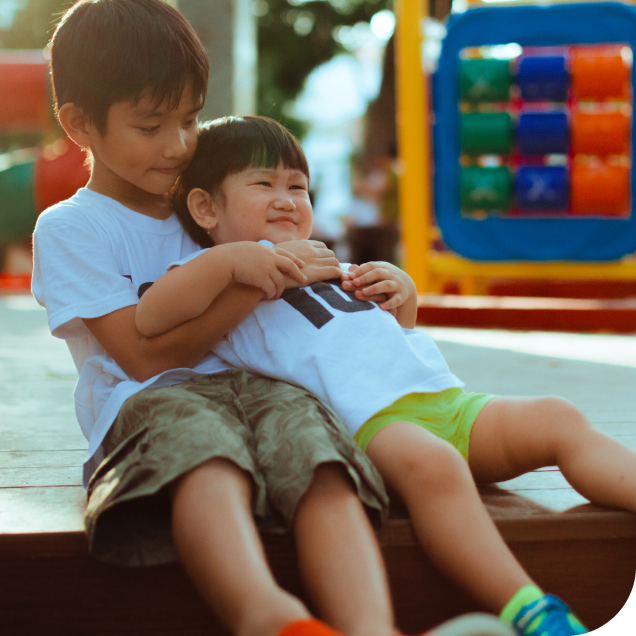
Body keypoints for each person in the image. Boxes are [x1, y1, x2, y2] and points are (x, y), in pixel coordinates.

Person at [30, 4, 503, 636]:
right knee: (207, 456)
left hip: (261, 385)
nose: (177, 145)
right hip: (151, 401)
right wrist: (255, 274)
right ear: (79, 124)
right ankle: (270, 617)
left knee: (321, 458)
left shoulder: (201, 202)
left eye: (190, 119)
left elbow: (301, 291)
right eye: (150, 126)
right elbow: (138, 356)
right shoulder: (72, 227)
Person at [138, 115, 636, 636]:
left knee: (557, 417)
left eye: (297, 186)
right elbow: (152, 314)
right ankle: (533, 611)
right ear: (205, 207)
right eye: (263, 184)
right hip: (372, 427)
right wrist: (243, 258)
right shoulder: (217, 276)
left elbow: (372, 336)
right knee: (437, 465)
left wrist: (402, 294)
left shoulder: (323, 260)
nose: (286, 198)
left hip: (446, 403)